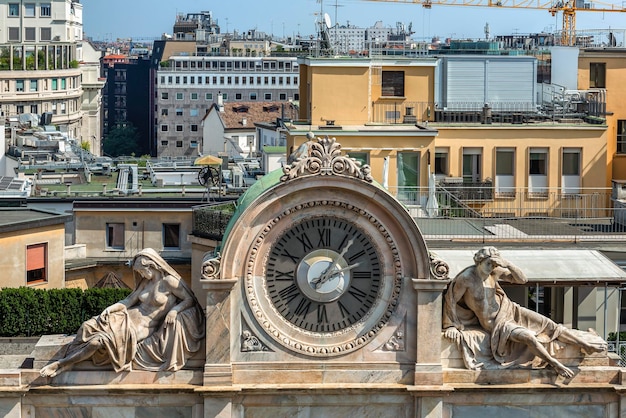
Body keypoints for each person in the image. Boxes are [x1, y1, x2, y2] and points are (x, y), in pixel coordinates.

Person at [443, 246, 607, 378]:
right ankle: (555, 363)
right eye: (489, 263)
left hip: (510, 310)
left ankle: (585, 344)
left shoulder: (495, 272)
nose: (492, 267)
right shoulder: (466, 278)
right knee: (528, 336)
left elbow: (522, 280)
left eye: (494, 264)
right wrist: (450, 325)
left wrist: (507, 264)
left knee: (550, 325)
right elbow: (451, 299)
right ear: (479, 261)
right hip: (499, 325)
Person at [40, 248, 205, 377]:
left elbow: (190, 300)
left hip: (143, 326)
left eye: (141, 270)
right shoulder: (145, 283)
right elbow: (128, 302)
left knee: (98, 342)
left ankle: (62, 364)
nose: (140, 274)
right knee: (87, 326)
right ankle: (67, 358)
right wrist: (109, 309)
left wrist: (175, 310)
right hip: (125, 317)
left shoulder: (170, 282)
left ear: (152, 266)